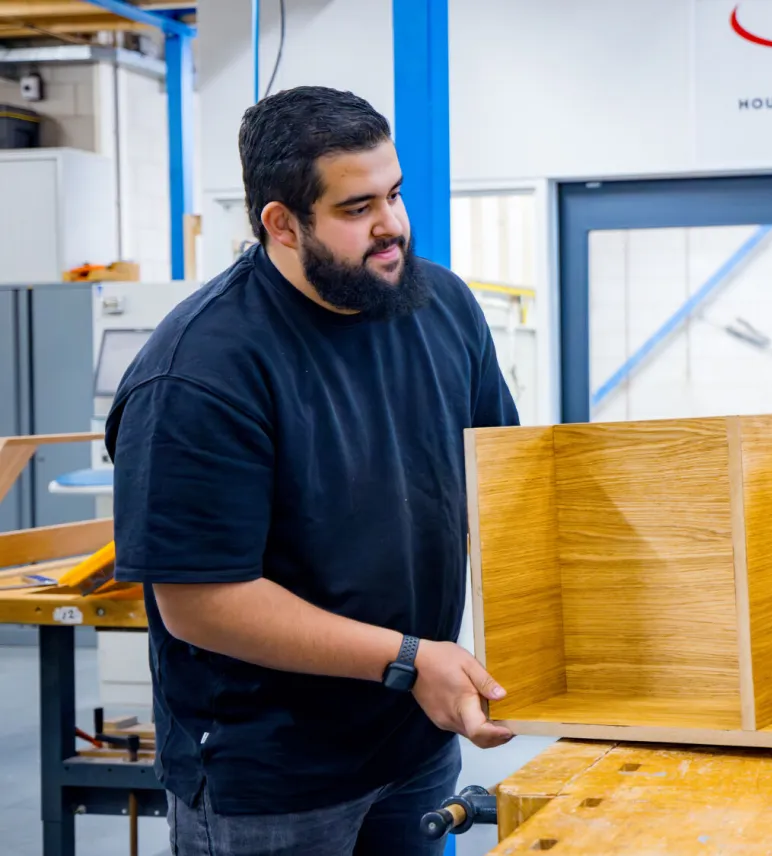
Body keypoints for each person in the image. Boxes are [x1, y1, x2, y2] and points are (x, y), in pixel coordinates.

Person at [106, 86, 518, 854]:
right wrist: (407, 659)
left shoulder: (442, 308)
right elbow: (200, 603)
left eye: (394, 194)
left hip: (413, 740)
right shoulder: (200, 371)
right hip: (273, 775)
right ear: (282, 223)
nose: (392, 225)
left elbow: (497, 482)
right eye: (357, 208)